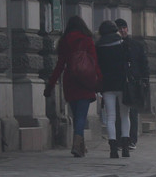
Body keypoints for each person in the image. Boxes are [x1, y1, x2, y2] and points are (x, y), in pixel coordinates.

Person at [44, 16, 102, 158]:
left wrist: (50, 84)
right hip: (85, 80)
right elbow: (94, 62)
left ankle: (80, 146)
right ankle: (77, 145)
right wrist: (100, 80)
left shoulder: (64, 41)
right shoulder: (87, 39)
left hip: (70, 80)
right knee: (81, 116)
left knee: (76, 115)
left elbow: (59, 65)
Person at [95, 20, 131, 158]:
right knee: (124, 115)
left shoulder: (99, 46)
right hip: (122, 84)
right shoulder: (122, 43)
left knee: (110, 117)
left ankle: (113, 149)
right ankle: (126, 147)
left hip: (107, 85)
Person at [115, 18, 149, 150]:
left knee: (132, 113)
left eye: (124, 28)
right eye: (120, 28)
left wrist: (144, 80)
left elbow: (143, 64)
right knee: (120, 113)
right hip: (120, 82)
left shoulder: (136, 45)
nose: (122, 30)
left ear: (127, 29)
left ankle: (132, 140)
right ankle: (120, 139)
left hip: (134, 82)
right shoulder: (116, 45)